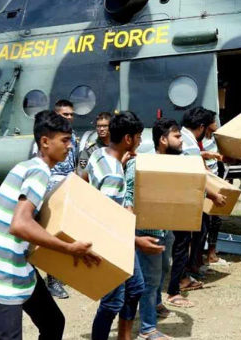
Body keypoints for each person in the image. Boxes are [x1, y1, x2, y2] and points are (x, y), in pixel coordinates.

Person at [0, 110, 99, 340]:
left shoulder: (28, 166)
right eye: (64, 141)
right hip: (6, 271)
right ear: (45, 142)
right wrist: (70, 248)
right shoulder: (39, 172)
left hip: (19, 266)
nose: (70, 146)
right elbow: (20, 225)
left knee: (53, 322)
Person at [87, 111, 147, 340]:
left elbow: (85, 178)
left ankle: (125, 336)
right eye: (139, 136)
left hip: (119, 241)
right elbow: (108, 220)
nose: (140, 141)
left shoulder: (100, 155)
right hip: (112, 243)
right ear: (128, 139)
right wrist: (138, 241)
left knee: (136, 288)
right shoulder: (114, 175)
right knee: (112, 302)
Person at [123, 118, 183, 340]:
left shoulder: (180, 164)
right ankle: (147, 328)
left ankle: (156, 303)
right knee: (149, 280)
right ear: (163, 139)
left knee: (162, 271)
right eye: (177, 136)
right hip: (147, 231)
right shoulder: (140, 164)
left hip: (166, 229)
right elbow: (128, 194)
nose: (181, 140)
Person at [171, 107, 226, 303]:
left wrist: (205, 155)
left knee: (191, 235)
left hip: (177, 198)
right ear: (202, 127)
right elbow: (196, 179)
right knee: (183, 242)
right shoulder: (191, 145)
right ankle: (181, 279)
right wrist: (214, 196)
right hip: (187, 200)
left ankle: (191, 267)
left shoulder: (181, 137)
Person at [44, 99, 79, 299]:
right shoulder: (48, 137)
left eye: (71, 114)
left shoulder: (73, 136)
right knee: (53, 233)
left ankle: (64, 273)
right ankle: (53, 281)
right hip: (52, 187)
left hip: (68, 186)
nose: (69, 117)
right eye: (65, 114)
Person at [202, 118, 227, 267]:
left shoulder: (215, 139)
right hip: (208, 185)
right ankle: (200, 256)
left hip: (217, 182)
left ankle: (211, 253)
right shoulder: (200, 142)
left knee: (216, 220)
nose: (217, 123)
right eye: (213, 121)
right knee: (204, 222)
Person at [77, 112, 112, 180]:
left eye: (105, 126)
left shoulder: (117, 147)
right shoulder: (90, 149)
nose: (101, 129)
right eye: (98, 126)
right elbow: (81, 173)